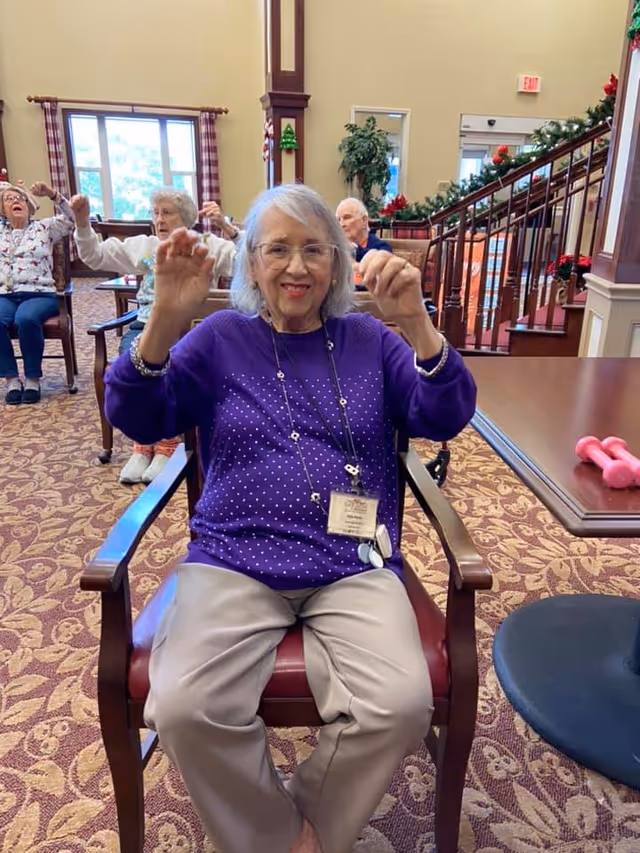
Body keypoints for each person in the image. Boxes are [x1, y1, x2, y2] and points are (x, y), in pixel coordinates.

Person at [104, 184, 476, 853]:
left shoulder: (369, 339)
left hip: (352, 563)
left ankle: (288, 833)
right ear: (251, 261)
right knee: (184, 706)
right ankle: (290, 840)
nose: (296, 267)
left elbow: (444, 415)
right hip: (233, 559)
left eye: (314, 249)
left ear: (337, 262)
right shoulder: (220, 339)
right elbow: (139, 413)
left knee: (399, 704)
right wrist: (163, 319)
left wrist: (419, 325)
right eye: (278, 249)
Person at [72, 188, 239, 484]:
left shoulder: (207, 245)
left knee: (173, 365)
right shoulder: (145, 246)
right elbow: (95, 256)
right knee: (132, 363)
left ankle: (166, 445)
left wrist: (228, 228)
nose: (159, 219)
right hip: (145, 325)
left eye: (167, 213)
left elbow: (244, 263)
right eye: (156, 213)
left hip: (190, 328)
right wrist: (83, 224)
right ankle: (142, 445)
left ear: (186, 217)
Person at [0, 180, 75, 405]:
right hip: (5, 295)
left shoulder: (44, 227)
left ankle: (32, 379)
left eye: (20, 198)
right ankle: (12, 379)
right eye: (9, 199)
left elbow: (73, 218)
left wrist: (52, 194)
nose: (15, 201)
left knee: (26, 318)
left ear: (29, 205)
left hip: (40, 294)